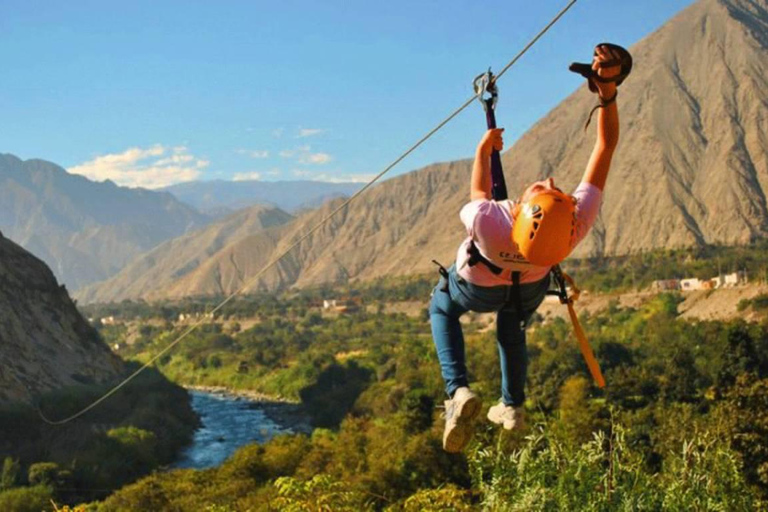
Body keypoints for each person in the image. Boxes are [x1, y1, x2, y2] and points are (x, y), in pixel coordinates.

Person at [430, 44, 623, 453]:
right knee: (512, 328)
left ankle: (457, 391)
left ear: (521, 210)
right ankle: (512, 406)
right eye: (556, 190)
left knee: (442, 306)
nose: (550, 181)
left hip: (476, 287)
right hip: (527, 288)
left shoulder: (491, 219)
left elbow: (479, 189)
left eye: (543, 189)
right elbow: (604, 148)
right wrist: (607, 93)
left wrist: (483, 149)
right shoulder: (575, 226)